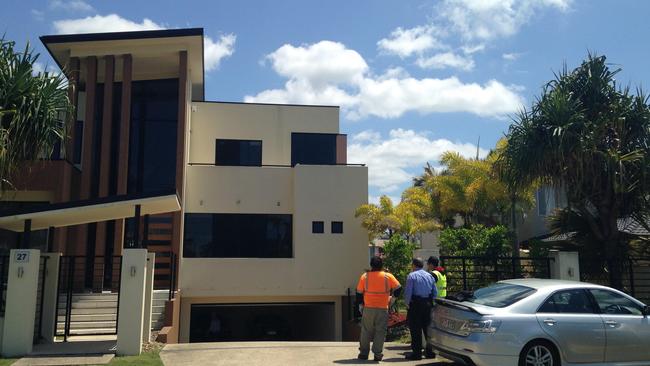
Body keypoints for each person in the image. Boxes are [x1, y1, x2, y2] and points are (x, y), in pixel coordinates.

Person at [356, 256, 402, 362]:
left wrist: (360, 305)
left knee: (366, 331)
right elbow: (399, 288)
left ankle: (363, 353)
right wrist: (393, 299)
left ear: (371, 265)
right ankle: (377, 354)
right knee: (380, 331)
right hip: (382, 308)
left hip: (368, 308)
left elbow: (358, 292)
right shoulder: (388, 276)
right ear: (381, 265)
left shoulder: (365, 276)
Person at [404, 257, 437, 360]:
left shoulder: (412, 276)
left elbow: (408, 292)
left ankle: (417, 353)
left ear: (414, 265)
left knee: (415, 329)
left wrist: (407, 304)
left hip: (416, 304)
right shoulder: (429, 276)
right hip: (427, 304)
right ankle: (430, 352)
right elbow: (435, 292)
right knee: (428, 329)